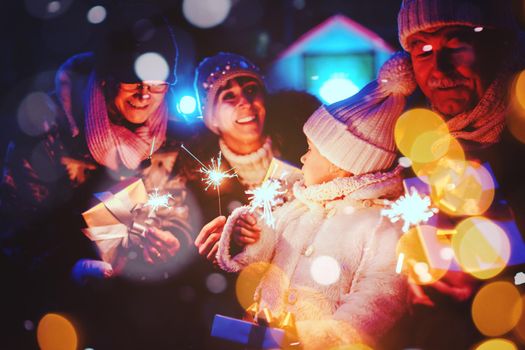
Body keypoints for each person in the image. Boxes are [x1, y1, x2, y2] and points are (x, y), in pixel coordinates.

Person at [0, 6, 202, 348]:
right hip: (55, 316)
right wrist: (69, 267)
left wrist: (172, 242)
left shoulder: (174, 140)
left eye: (157, 82)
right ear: (107, 76)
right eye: (132, 77)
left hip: (143, 318)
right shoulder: (48, 131)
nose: (144, 93)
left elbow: (180, 211)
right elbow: (16, 232)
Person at [215, 53, 414, 349]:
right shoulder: (298, 204)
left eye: (311, 149)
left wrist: (325, 339)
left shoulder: (379, 224)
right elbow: (263, 249)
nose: (303, 157)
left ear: (339, 163)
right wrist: (248, 234)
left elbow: (380, 295)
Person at [382, 1, 525, 348]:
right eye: (423, 50)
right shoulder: (403, 150)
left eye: (457, 44)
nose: (439, 69)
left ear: (499, 46)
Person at [187, 52, 320, 260]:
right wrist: (231, 242)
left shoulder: (308, 149)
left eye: (251, 90)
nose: (246, 102)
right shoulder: (198, 183)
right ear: (211, 118)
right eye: (228, 96)